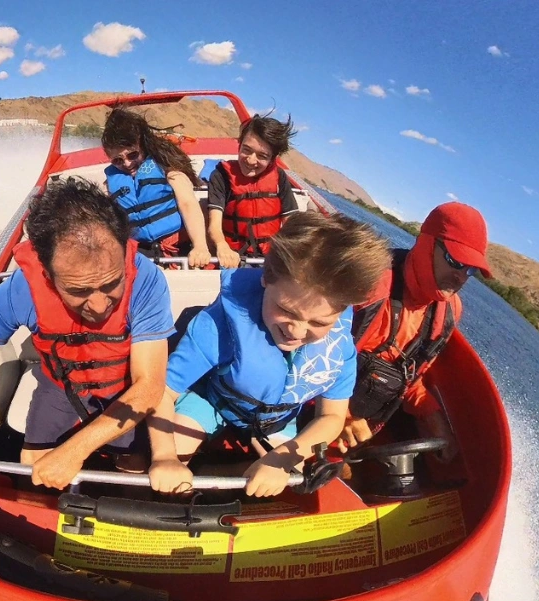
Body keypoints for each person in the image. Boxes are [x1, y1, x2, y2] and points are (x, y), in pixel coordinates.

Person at [0, 178, 174, 489]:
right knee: (35, 473)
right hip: (59, 385)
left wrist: (73, 451)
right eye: (79, 290)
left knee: (133, 469)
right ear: (47, 274)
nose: (100, 305)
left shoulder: (146, 281)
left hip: (124, 388)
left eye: (111, 283)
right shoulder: (22, 288)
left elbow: (149, 386)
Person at [148, 212, 390, 497]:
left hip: (278, 419)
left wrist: (283, 459)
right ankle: (200, 477)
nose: (297, 331)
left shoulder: (340, 351)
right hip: (215, 401)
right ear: (266, 279)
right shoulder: (218, 326)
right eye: (286, 310)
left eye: (319, 323)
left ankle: (228, 474)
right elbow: (162, 391)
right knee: (171, 458)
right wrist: (163, 456)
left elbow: (332, 416)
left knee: (293, 484)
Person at [337, 202, 491, 461]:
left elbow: (408, 376)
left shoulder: (448, 311)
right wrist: (341, 415)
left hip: (362, 431)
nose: (461, 276)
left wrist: (435, 420)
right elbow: (307, 349)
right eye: (455, 261)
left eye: (470, 270)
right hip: (311, 410)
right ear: (426, 243)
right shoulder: (372, 282)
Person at [101, 107, 216, 266]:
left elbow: (188, 203)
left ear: (143, 146)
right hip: (139, 252)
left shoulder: (167, 168)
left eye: (133, 155)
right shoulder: (111, 182)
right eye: (118, 160)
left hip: (177, 246)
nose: (127, 164)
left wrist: (200, 246)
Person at [206, 113, 300, 268]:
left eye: (262, 156)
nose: (251, 160)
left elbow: (292, 223)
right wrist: (222, 246)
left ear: (273, 159)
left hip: (270, 259)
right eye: (246, 150)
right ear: (239, 144)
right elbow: (214, 225)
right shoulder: (221, 175)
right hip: (232, 258)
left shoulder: (279, 177)